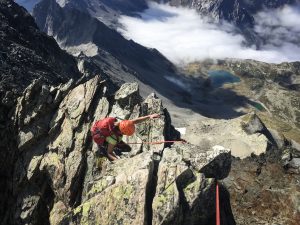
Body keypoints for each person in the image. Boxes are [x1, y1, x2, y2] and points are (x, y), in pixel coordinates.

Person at [91, 113, 161, 161]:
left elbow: (135, 121)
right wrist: (118, 160)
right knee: (121, 148)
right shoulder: (113, 139)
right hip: (100, 137)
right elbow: (109, 153)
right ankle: (103, 147)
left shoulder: (121, 124)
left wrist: (149, 116)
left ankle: (114, 145)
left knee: (127, 148)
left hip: (98, 128)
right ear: (123, 132)